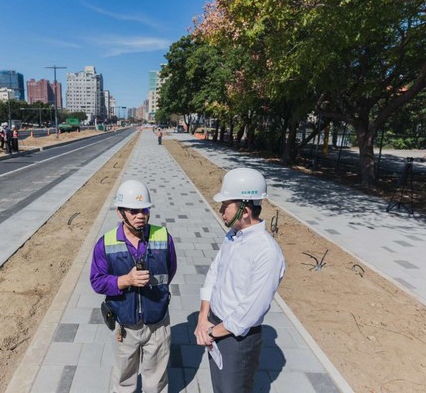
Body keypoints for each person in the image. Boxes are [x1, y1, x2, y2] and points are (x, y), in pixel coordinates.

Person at [194, 168, 285, 393]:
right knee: (219, 387)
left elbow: (250, 311)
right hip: (215, 325)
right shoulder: (233, 236)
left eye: (226, 205)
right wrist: (203, 317)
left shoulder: (266, 252)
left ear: (244, 210)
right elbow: (214, 273)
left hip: (236, 339)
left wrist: (211, 333)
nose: (221, 210)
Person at [90, 180, 177, 392]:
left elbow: (170, 270)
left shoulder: (164, 237)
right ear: (120, 213)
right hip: (124, 325)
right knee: (123, 379)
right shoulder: (105, 243)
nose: (141, 215)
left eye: (145, 209)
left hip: (157, 324)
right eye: (134, 210)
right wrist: (125, 281)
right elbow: (97, 281)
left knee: (156, 380)